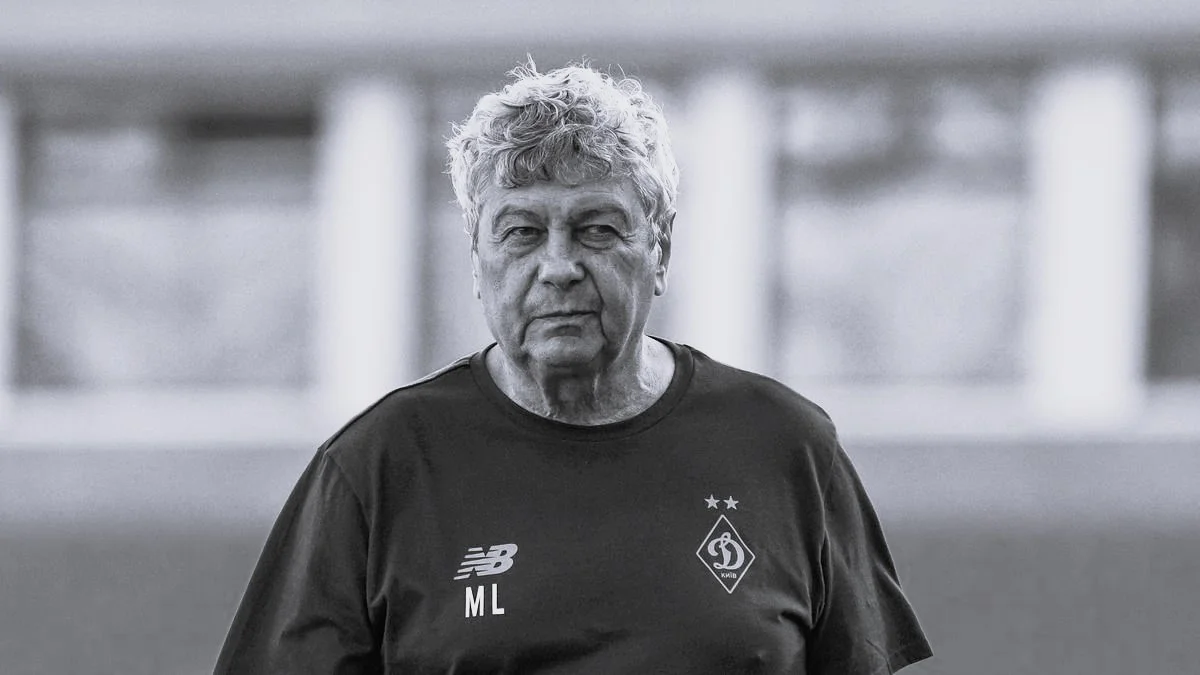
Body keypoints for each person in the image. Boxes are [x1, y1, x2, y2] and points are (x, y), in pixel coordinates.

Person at [215, 61, 933, 674]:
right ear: (476, 260)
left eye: (596, 228)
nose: (558, 266)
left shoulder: (787, 448)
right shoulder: (379, 466)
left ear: (659, 248)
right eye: (522, 232)